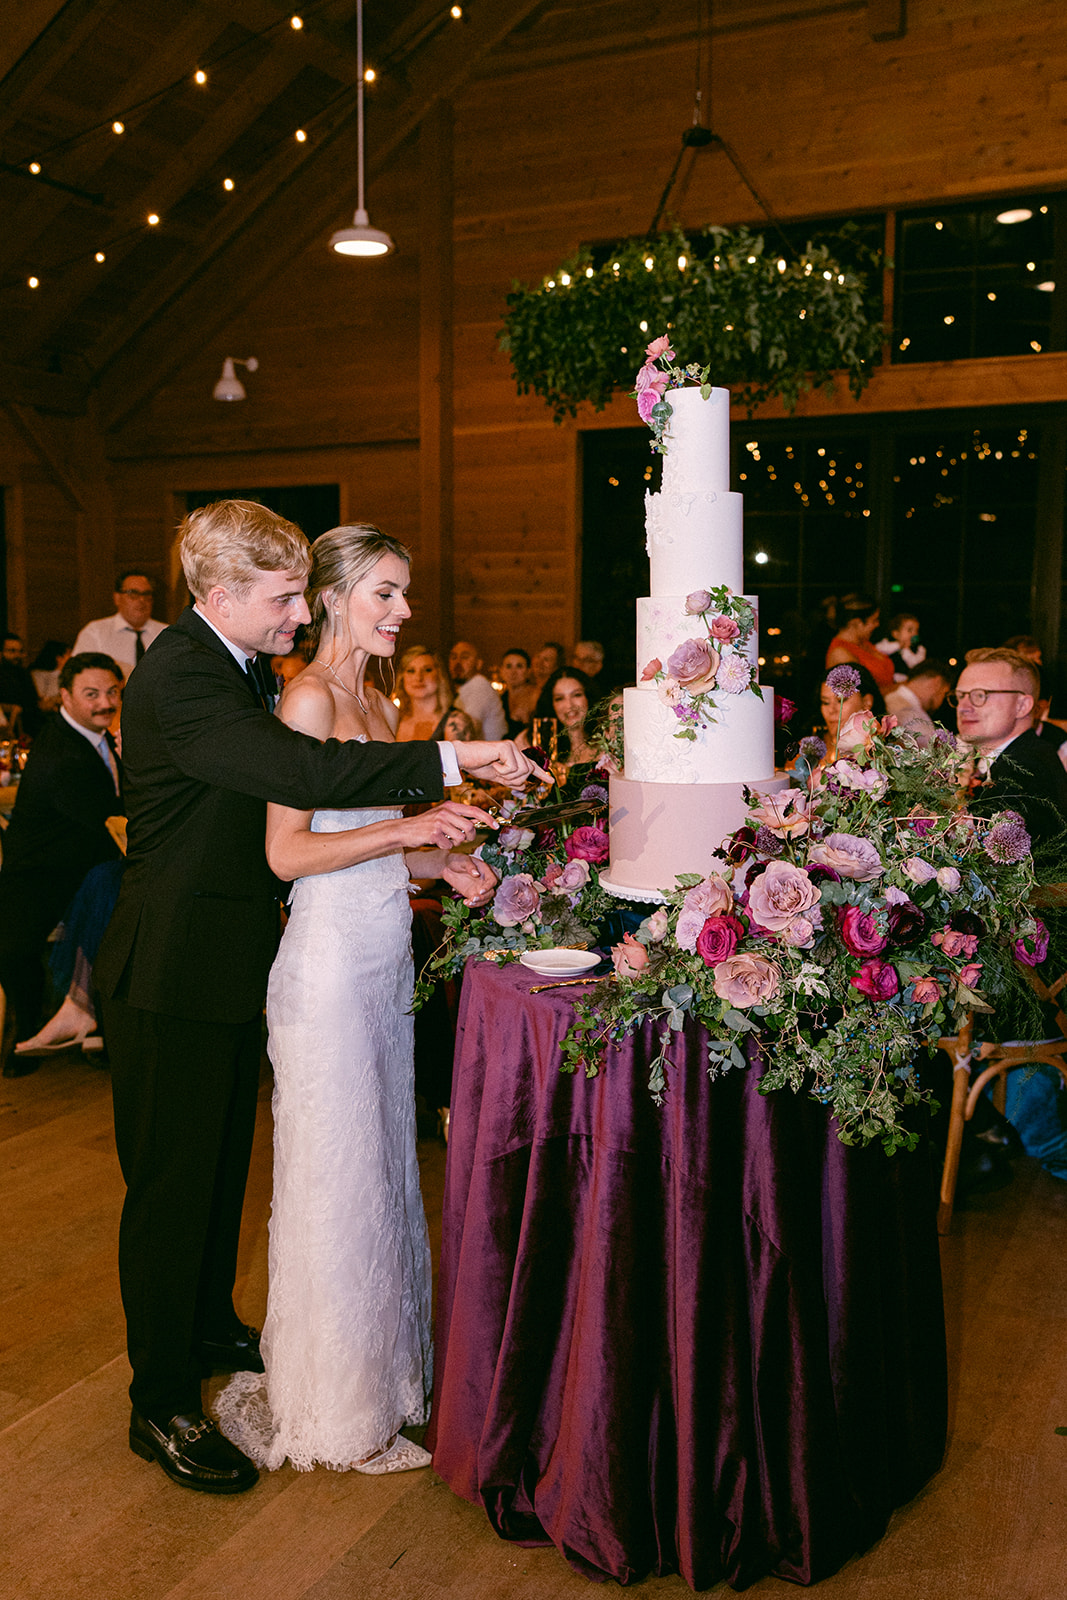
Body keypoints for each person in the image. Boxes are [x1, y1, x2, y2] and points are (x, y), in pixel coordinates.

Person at [93, 499, 542, 1497]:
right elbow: (298, 770)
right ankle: (157, 1400)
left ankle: (209, 1323)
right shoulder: (181, 673)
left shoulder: (237, 664)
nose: (300, 609)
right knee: (169, 1193)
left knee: (215, 1173)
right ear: (221, 595)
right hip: (168, 970)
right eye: (283, 594)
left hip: (228, 960)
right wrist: (451, 762)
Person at [214, 525, 498, 1477]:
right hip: (327, 968)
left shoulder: (372, 703)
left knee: (381, 1169)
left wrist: (444, 862)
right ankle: (331, 1405)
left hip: (381, 963)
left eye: (404, 593)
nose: (403, 611)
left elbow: (381, 841)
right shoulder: (304, 699)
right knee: (337, 1178)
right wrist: (408, 832)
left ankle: (380, 1380)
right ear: (332, 598)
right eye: (385, 593)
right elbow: (287, 855)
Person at [0, 653, 124, 1077]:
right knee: (115, 891)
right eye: (91, 694)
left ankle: (93, 1024)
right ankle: (76, 1021)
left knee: (112, 884)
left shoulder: (96, 735)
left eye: (112, 692)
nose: (104, 703)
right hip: (40, 875)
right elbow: (111, 819)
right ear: (65, 697)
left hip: (83, 862)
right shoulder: (62, 755)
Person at [73, 571, 166, 680]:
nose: (141, 600)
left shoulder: (167, 632)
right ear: (117, 598)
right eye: (133, 594)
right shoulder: (95, 632)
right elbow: (79, 674)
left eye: (146, 594)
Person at [825, 593, 895, 694]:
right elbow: (860, 697)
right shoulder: (840, 654)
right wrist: (906, 687)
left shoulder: (864, 643)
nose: (877, 624)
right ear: (857, 623)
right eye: (874, 620)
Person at [817, 664, 885, 764]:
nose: (831, 710)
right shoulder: (811, 751)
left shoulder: (887, 751)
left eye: (841, 700)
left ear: (866, 702)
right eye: (825, 702)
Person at [530, 667, 598, 769]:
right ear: (551, 704)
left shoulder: (607, 745)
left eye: (576, 695)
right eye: (559, 698)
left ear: (588, 697)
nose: (569, 705)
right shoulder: (533, 740)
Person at [884, 660, 952, 746]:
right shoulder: (909, 712)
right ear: (937, 683)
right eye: (944, 693)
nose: (941, 701)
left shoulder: (892, 699)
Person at [448, 640, 506, 739]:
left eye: (464, 657)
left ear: (478, 664)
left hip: (489, 752)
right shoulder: (464, 688)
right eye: (454, 657)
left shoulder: (479, 686)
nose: (457, 662)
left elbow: (465, 732)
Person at [395, 645, 454, 742]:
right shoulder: (394, 721)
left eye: (427, 670)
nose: (418, 678)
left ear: (439, 675)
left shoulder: (454, 722)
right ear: (402, 678)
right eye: (411, 671)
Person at [0, 632, 43, 735]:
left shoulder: (23, 673)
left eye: (20, 651)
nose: (17, 655)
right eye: (12, 651)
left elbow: (32, 700)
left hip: (28, 725)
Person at [875, 612, 926, 680]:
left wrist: (906, 649)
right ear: (896, 634)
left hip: (905, 680)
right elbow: (878, 649)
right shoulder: (887, 643)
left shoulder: (920, 649)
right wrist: (899, 645)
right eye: (910, 630)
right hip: (887, 677)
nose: (914, 634)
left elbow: (915, 666)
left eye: (916, 630)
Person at [499, 647, 537, 737]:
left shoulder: (535, 696)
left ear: (528, 671)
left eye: (519, 666)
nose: (513, 672)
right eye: (508, 666)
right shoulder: (500, 699)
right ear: (501, 671)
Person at [30, 640, 71, 710]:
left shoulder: (69, 674)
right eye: (69, 654)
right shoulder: (38, 674)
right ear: (59, 658)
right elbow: (43, 698)